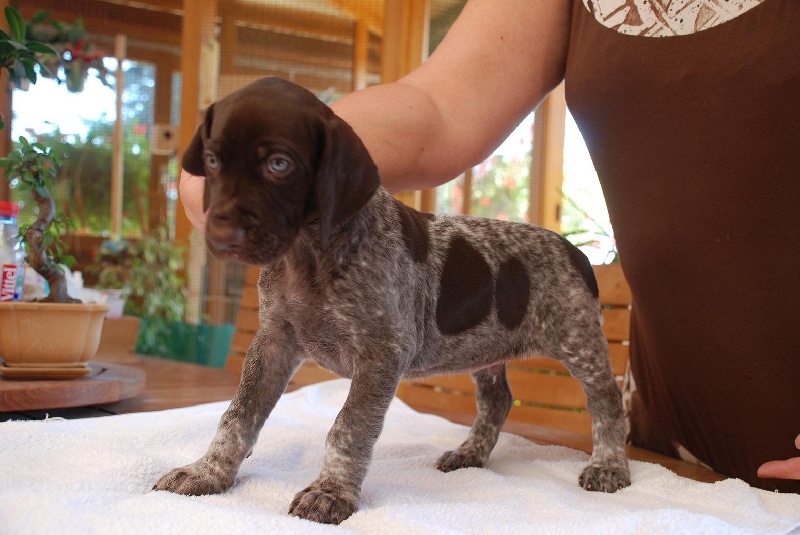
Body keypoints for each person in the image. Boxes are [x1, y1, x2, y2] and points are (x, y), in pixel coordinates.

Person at [179, 0, 800, 493]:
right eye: (217, 162)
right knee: (491, 381)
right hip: (679, 425)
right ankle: (486, 437)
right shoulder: (288, 261)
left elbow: (383, 351)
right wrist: (258, 153)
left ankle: (599, 444)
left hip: (774, 407)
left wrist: (340, 476)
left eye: (277, 163)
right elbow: (439, 105)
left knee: (588, 372)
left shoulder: (389, 242)